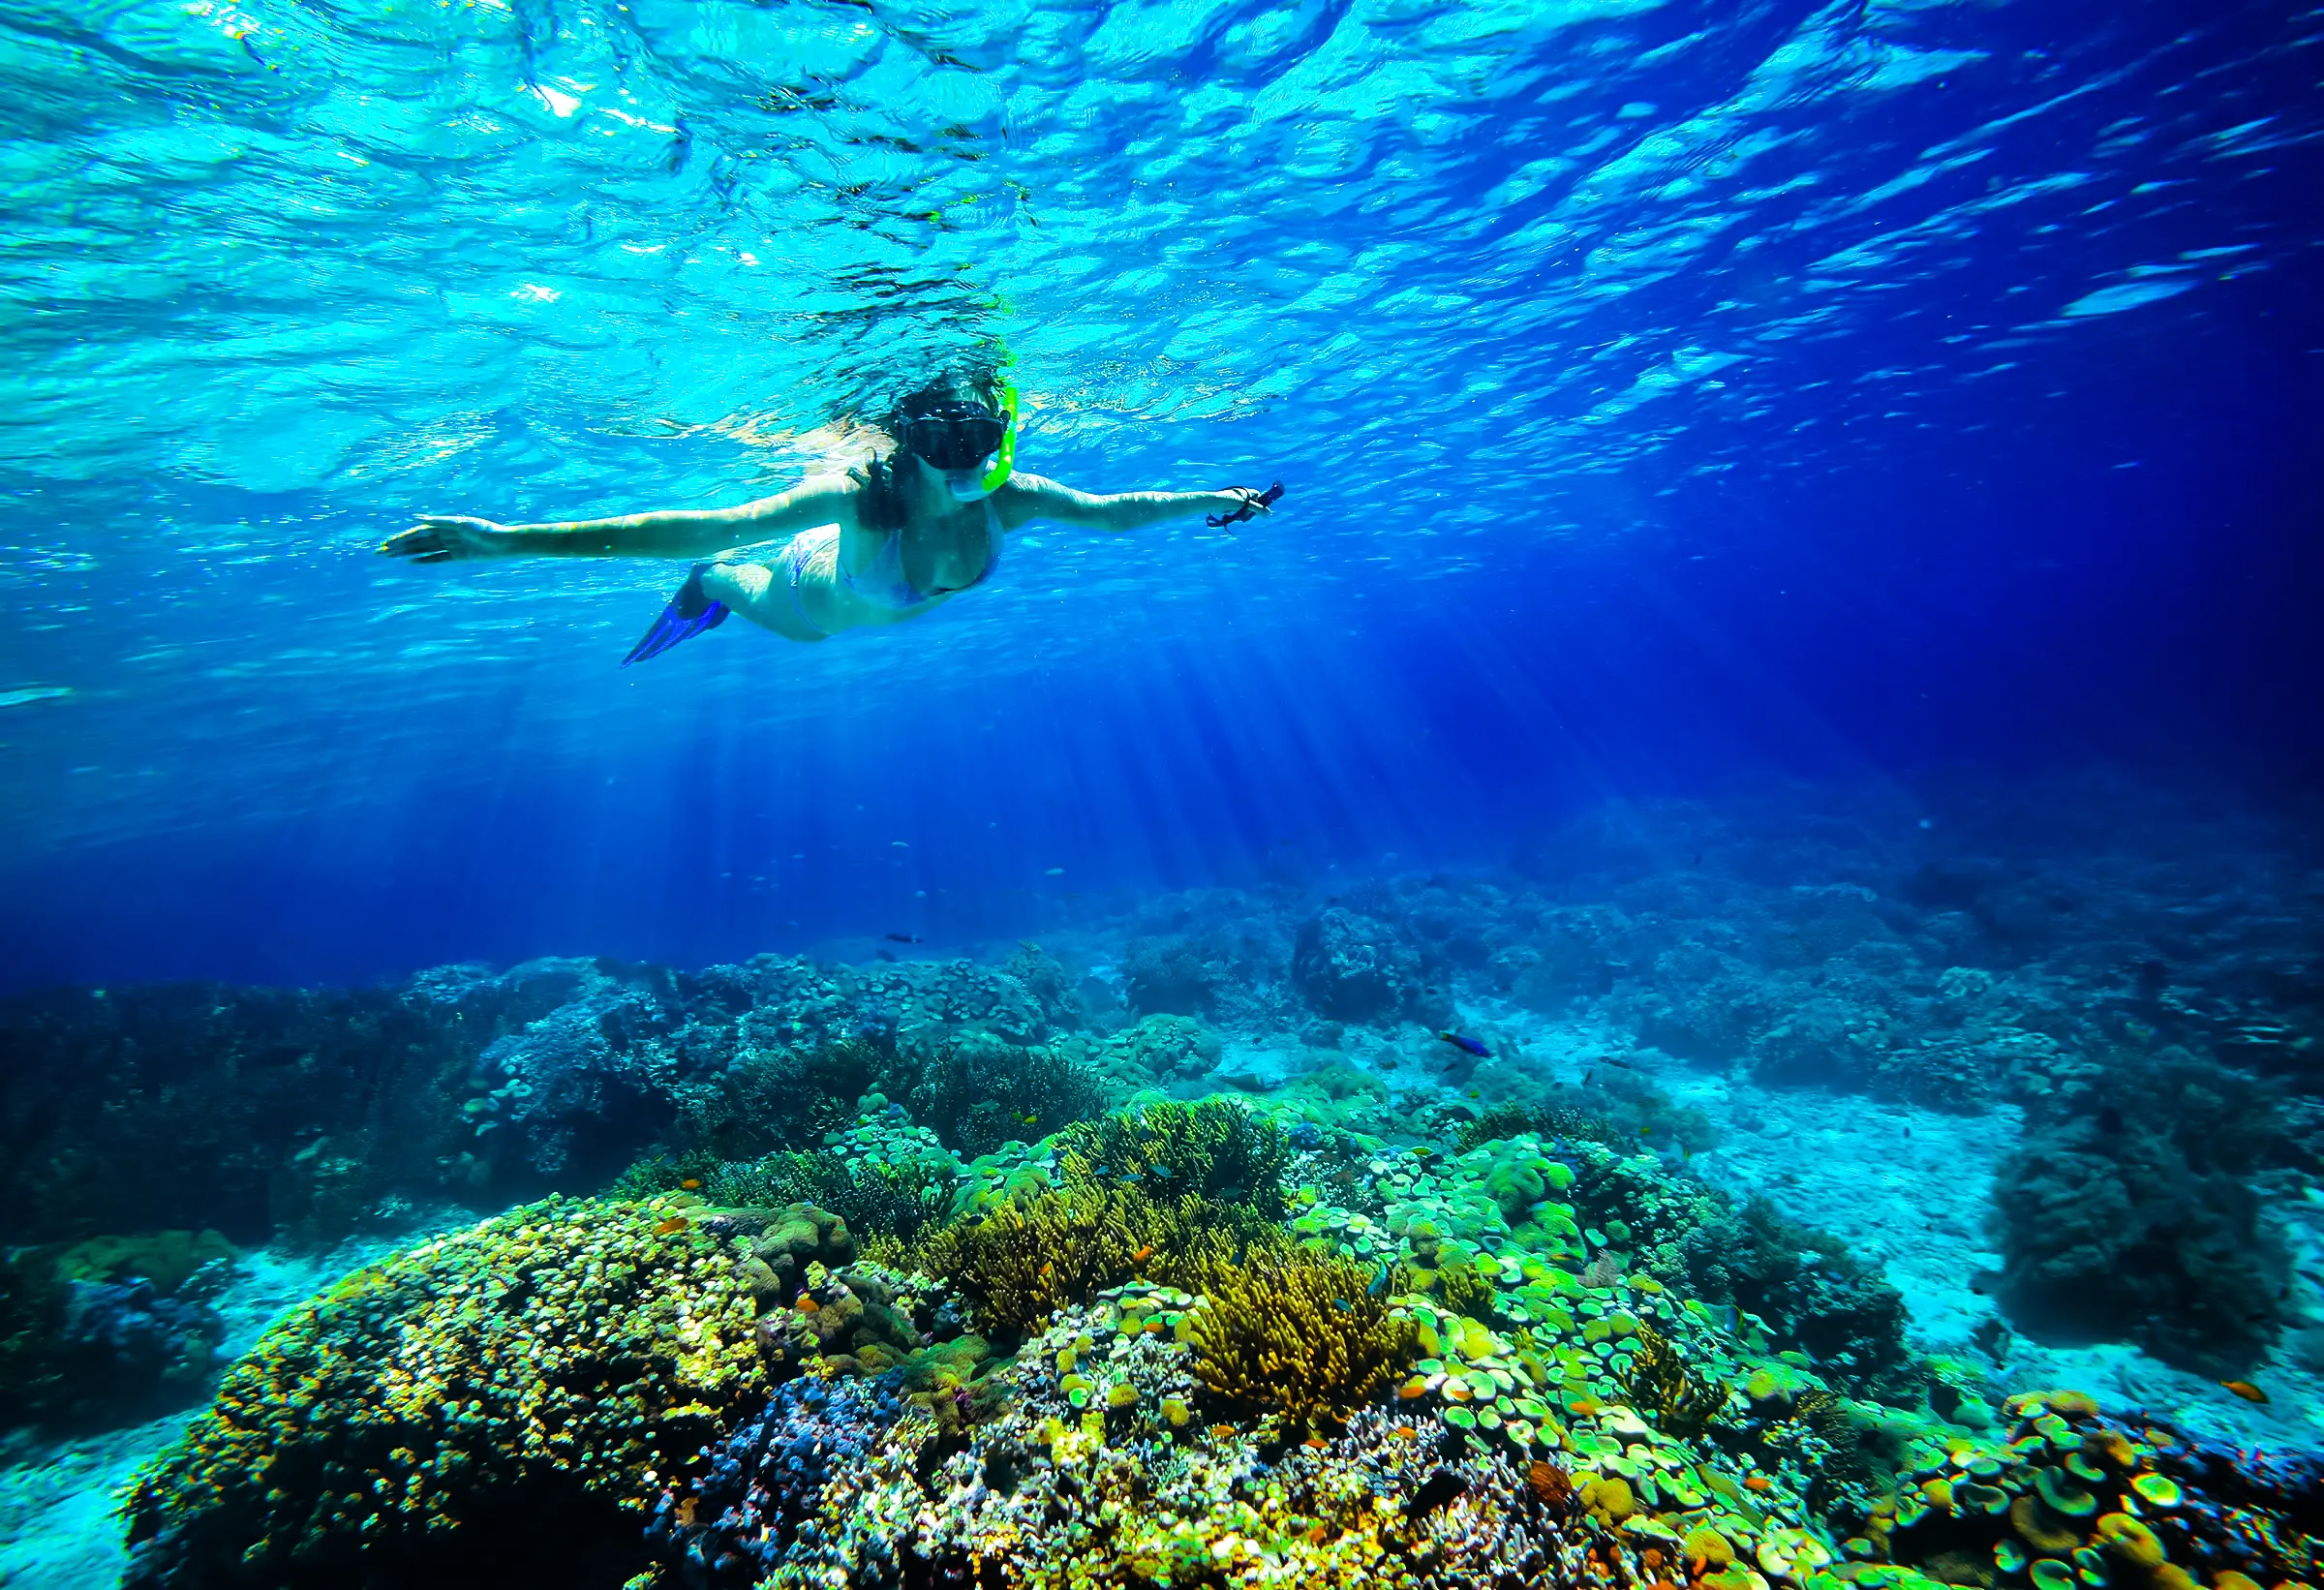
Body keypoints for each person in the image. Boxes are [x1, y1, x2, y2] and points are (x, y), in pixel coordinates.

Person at [378, 368, 1282, 663]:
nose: (968, 465)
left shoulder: (1016, 493)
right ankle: (706, 597)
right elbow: (702, 525)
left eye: (984, 441)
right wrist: (507, 542)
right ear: (910, 443)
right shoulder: (858, 497)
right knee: (732, 576)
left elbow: (1118, 513)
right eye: (945, 444)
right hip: (816, 592)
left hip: (876, 592)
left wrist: (1216, 497)